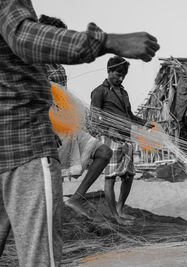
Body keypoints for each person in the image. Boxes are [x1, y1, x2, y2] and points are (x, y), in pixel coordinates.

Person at [0, 1, 160, 266]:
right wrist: (105, 41)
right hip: (24, 145)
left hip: (21, 142)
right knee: (40, 257)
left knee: (118, 167)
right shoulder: (99, 90)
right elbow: (24, 36)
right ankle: (98, 205)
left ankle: (92, 203)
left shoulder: (117, 91)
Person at [39, 14, 113, 220]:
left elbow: (63, 100)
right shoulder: (33, 64)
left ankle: (76, 199)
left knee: (104, 153)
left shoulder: (59, 67)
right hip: (43, 128)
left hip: (65, 128)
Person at [91, 56, 144, 225]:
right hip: (110, 140)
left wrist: (144, 123)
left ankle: (120, 209)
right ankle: (114, 215)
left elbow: (129, 116)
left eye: (123, 75)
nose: (121, 78)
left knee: (129, 176)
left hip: (126, 139)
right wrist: (107, 130)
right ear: (109, 71)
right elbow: (93, 118)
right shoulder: (99, 91)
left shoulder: (124, 92)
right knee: (111, 178)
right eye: (118, 74)